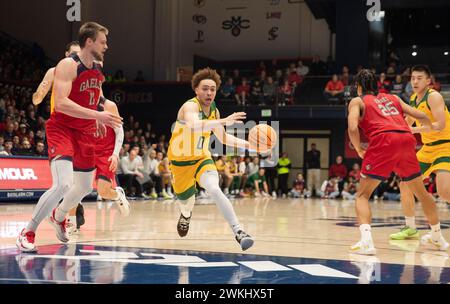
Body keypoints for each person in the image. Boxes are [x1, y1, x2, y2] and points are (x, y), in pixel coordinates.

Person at [17, 22, 123, 252]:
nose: (106, 46)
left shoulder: (98, 67)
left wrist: (95, 118)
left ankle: (59, 215)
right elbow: (62, 103)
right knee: (63, 184)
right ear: (89, 41)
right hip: (62, 129)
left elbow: (94, 97)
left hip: (85, 131)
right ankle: (29, 231)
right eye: (103, 41)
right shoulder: (67, 65)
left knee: (84, 187)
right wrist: (97, 115)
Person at [347, 69, 448, 255]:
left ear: (359, 87)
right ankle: (437, 236)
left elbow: (353, 127)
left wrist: (359, 148)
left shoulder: (357, 101)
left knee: (362, 195)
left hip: (383, 141)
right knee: (422, 193)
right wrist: (424, 128)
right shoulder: (393, 98)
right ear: (377, 84)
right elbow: (422, 116)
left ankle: (367, 241)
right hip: (406, 140)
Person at [167, 67, 254, 251]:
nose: (209, 93)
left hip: (201, 159)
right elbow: (194, 124)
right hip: (180, 164)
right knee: (187, 204)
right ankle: (186, 214)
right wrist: (224, 121)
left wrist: (249, 145)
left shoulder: (215, 111)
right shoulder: (190, 106)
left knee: (214, 188)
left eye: (212, 89)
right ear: (196, 90)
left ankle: (239, 232)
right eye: (205, 88)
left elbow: (223, 138)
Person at [390, 65, 450, 245]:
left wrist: (412, 129)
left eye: (419, 78)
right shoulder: (414, 98)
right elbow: (406, 123)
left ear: (428, 81)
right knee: (405, 185)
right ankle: (410, 228)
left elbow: (440, 125)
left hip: (445, 147)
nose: (415, 81)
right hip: (427, 149)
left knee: (444, 192)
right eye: (413, 78)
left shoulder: (434, 97)